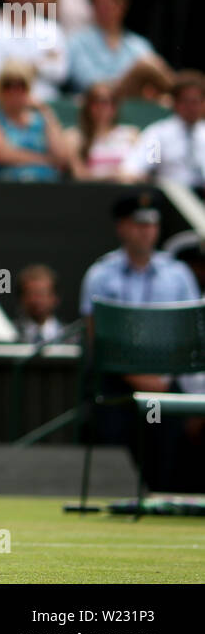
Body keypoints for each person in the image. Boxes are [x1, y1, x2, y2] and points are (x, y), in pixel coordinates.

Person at [78, 191, 201, 490]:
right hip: (119, 381)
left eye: (152, 225)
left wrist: (164, 377)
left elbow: (190, 331)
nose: (146, 231)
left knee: (166, 451)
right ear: (122, 227)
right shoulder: (101, 274)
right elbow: (97, 336)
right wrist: (137, 376)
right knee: (115, 449)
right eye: (138, 224)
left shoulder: (178, 274)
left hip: (166, 380)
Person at [66, 0, 173, 99]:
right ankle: (181, 93)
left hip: (135, 103)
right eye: (99, 4)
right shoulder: (78, 41)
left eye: (110, 3)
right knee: (145, 66)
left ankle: (182, 94)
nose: (105, 9)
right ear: (92, 7)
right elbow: (87, 83)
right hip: (97, 102)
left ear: (123, 6)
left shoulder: (138, 43)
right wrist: (132, 77)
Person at [0, 61, 70, 182]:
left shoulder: (42, 119)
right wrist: (45, 160)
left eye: (21, 86)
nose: (14, 91)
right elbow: (0, 154)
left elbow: (61, 157)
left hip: (47, 188)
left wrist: (46, 112)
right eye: (8, 85)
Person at [122, 71, 205, 187]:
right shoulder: (159, 135)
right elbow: (137, 166)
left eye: (196, 102)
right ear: (176, 103)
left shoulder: (203, 133)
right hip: (172, 197)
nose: (191, 108)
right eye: (186, 102)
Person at [67, 83, 139, 182]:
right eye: (98, 102)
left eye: (111, 102)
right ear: (88, 106)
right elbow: (79, 174)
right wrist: (113, 175)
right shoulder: (74, 136)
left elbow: (143, 168)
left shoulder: (131, 133)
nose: (105, 107)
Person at [15, 263, 64, 344]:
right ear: (21, 298)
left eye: (42, 294)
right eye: (30, 294)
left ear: (55, 297)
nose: (36, 300)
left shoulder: (71, 336)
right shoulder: (9, 334)